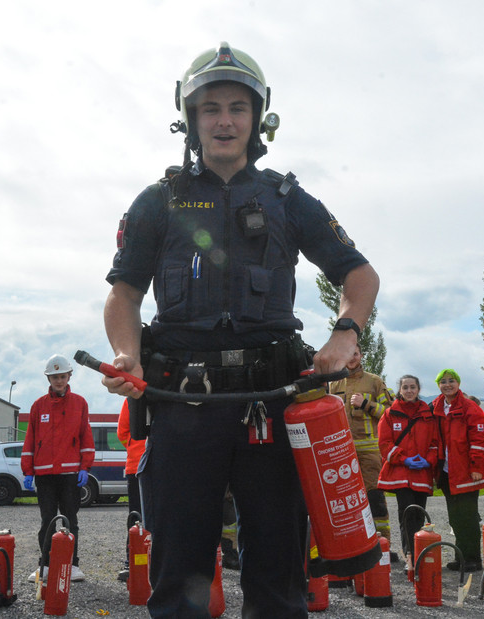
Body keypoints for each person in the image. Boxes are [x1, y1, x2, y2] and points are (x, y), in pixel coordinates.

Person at [100, 42, 379, 618]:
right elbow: (123, 293)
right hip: (183, 404)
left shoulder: (288, 200)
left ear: (258, 119)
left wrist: (345, 334)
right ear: (190, 119)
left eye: (237, 108)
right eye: (210, 108)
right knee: (178, 580)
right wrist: (127, 354)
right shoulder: (158, 201)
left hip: (273, 406)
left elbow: (359, 275)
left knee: (279, 579)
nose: (224, 121)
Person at [21, 354, 94, 584]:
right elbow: (30, 439)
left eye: (62, 376)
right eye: (55, 377)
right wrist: (28, 470)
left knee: (70, 520)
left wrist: (85, 466)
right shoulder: (38, 406)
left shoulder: (80, 403)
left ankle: (73, 565)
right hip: (45, 475)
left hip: (70, 474)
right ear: (48, 379)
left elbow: (85, 436)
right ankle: (45, 565)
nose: (59, 381)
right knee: (47, 521)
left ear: (69, 376)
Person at [431, 368, 484, 572]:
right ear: (438, 385)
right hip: (447, 471)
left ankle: (473, 559)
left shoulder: (470, 407)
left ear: (458, 383)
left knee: (468, 516)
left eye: (451, 380)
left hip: (467, 471)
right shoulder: (436, 407)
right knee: (455, 517)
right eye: (443, 381)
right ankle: (460, 557)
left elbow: (479, 439)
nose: (447, 385)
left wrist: (476, 466)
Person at [328, 348, 393, 547]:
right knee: (344, 498)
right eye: (348, 354)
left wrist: (366, 404)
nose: (351, 358)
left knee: (374, 496)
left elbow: (390, 414)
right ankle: (353, 543)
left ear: (361, 356)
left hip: (369, 452)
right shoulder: (333, 384)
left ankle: (382, 543)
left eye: (355, 354)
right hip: (342, 452)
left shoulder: (374, 381)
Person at [377, 374, 439, 563]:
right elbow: (384, 444)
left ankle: (418, 554)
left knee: (419, 515)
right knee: (406, 514)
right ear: (400, 390)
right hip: (401, 474)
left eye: (413, 387)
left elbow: (435, 443)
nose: (409, 391)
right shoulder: (389, 414)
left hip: (421, 473)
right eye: (406, 387)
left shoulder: (428, 415)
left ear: (418, 389)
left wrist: (428, 460)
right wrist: (404, 460)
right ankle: (411, 557)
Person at [116, 397, 147, 582]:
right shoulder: (131, 400)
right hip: (142, 465)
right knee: (137, 517)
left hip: (139, 464)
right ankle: (135, 561)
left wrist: (134, 446)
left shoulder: (132, 398)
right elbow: (122, 432)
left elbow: (122, 433)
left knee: (136, 517)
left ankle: (134, 563)